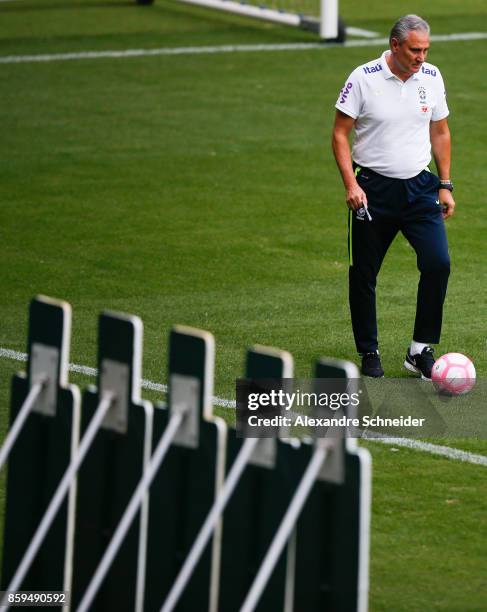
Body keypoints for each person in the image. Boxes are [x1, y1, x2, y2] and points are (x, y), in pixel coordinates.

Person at [331, 14, 455, 379]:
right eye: (415, 50)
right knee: (364, 274)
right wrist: (351, 186)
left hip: (420, 188)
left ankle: (420, 349)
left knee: (438, 263)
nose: (421, 57)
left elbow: (441, 132)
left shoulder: (431, 78)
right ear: (395, 45)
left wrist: (445, 184)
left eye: (426, 50)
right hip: (373, 191)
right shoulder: (363, 79)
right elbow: (340, 134)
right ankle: (369, 351)